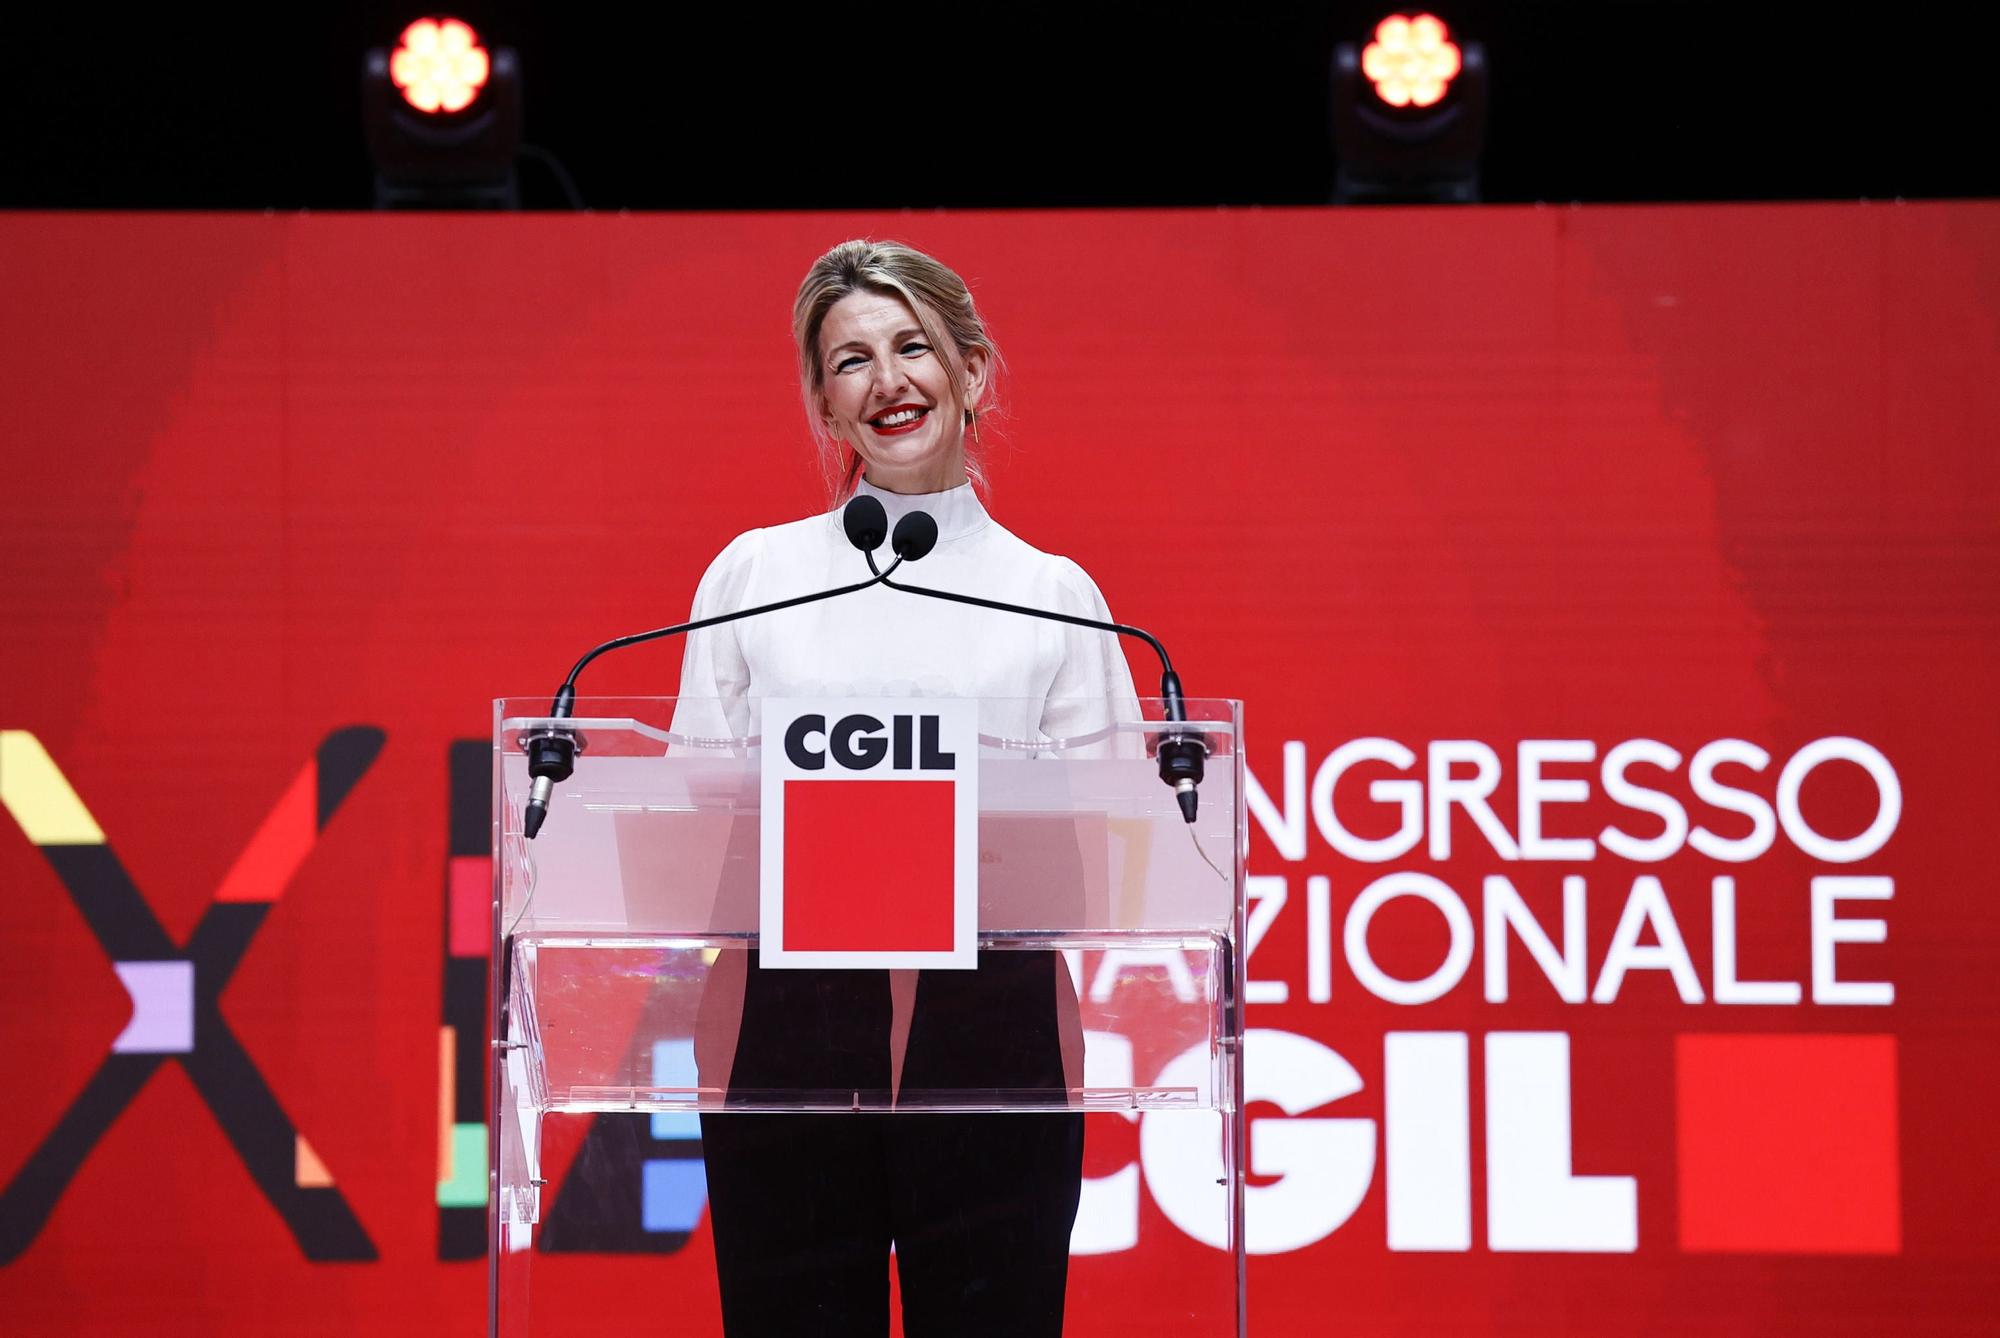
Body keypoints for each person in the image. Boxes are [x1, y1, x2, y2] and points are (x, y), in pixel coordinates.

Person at [672, 239, 1138, 1338]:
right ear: (822, 404)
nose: (887, 382)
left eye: (912, 348)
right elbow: (695, 810)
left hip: (993, 1027)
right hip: (788, 1025)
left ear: (972, 374)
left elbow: (1117, 843)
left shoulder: (1051, 594)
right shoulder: (752, 578)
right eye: (850, 361)